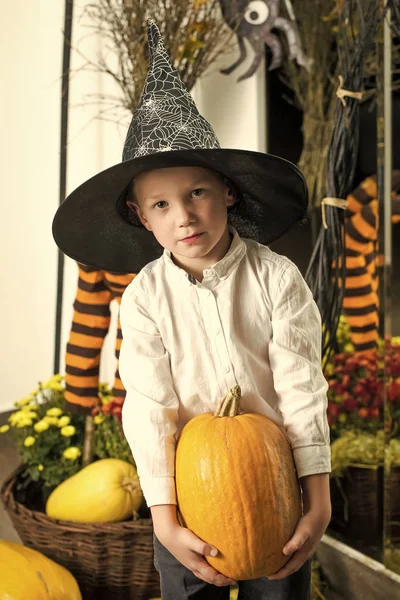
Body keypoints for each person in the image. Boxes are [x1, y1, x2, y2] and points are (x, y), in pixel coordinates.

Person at [53, 19, 331, 600]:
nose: (184, 216)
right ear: (141, 217)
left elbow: (302, 386)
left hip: (271, 484)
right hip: (188, 492)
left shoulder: (276, 278)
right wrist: (163, 517)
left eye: (197, 193)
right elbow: (150, 406)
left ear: (228, 191)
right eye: (162, 203)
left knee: (280, 588)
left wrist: (318, 499)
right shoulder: (145, 298)